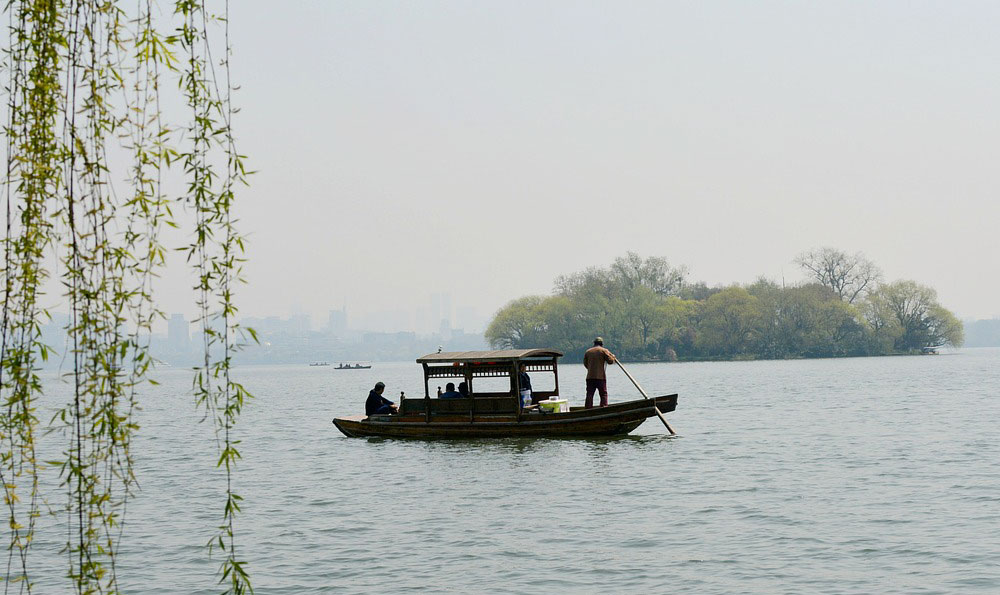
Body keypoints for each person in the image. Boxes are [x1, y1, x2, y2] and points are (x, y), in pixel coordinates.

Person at [583, 337, 616, 408]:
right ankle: (603, 407)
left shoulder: (588, 352)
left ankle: (588, 409)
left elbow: (585, 364)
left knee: (589, 394)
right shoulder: (604, 350)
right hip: (600, 377)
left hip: (590, 377)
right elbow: (610, 361)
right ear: (602, 344)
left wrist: (591, 369)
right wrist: (613, 357)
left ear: (594, 343)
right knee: (603, 394)